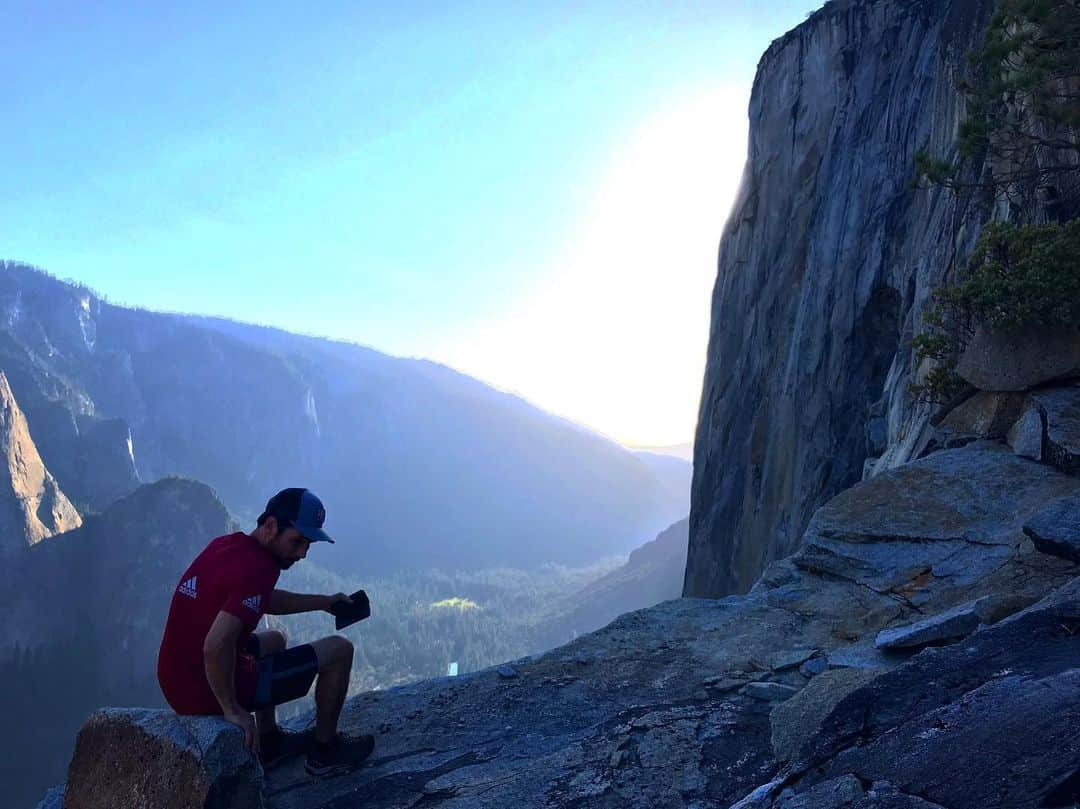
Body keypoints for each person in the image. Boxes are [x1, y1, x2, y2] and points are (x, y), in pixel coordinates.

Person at [157, 487, 374, 777]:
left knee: (275, 639)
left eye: (308, 544)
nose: (303, 553)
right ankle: (324, 753)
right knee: (339, 650)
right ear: (271, 526)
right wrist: (231, 709)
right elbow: (216, 645)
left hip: (177, 679)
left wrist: (324, 603)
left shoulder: (228, 545)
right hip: (204, 689)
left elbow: (262, 598)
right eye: (296, 542)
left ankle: (270, 741)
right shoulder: (258, 568)